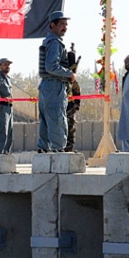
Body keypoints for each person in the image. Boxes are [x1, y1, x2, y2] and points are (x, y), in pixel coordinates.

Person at [37, 11, 74, 152]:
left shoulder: (48, 41)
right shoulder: (54, 43)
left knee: (46, 121)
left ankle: (43, 150)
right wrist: (69, 73)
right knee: (57, 119)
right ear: (53, 25)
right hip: (54, 85)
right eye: (61, 24)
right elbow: (51, 66)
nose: (64, 27)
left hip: (46, 86)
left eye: (66, 24)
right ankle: (58, 150)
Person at [64, 44, 82, 152]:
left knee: (70, 130)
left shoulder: (73, 81)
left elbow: (77, 91)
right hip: (64, 106)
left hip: (70, 107)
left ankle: (68, 149)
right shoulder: (65, 78)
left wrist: (76, 105)